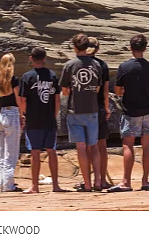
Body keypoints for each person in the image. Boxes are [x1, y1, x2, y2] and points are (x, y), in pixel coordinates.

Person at [60, 33, 106, 192]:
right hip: (92, 109)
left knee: (81, 147)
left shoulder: (69, 65)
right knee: (94, 146)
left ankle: (87, 184)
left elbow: (65, 91)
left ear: (74, 47)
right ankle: (98, 182)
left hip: (75, 110)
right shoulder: (97, 65)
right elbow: (98, 88)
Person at [110, 34, 149, 192]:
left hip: (130, 110)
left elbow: (117, 90)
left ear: (131, 48)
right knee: (147, 144)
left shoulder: (125, 67)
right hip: (148, 109)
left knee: (128, 145)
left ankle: (126, 182)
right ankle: (145, 181)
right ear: (145, 48)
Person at [18, 46, 64, 194]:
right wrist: (54, 115)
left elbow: (23, 99)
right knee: (51, 151)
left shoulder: (27, 77)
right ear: (44, 59)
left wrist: (24, 114)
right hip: (49, 118)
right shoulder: (52, 76)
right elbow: (57, 99)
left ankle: (35, 186)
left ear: (31, 58)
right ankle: (56, 185)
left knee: (35, 152)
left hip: (33, 119)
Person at [0, 53, 23, 192]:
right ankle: (8, 184)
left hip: (2, 114)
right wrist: (23, 115)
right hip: (12, 114)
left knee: (2, 151)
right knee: (11, 152)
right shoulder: (14, 80)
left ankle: (2, 181)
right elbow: (18, 99)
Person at [87, 37, 112, 189]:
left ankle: (89, 179)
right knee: (102, 144)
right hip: (99, 106)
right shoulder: (102, 65)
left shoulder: (80, 63)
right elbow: (105, 90)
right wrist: (107, 108)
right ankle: (102, 179)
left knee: (88, 146)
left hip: (83, 108)